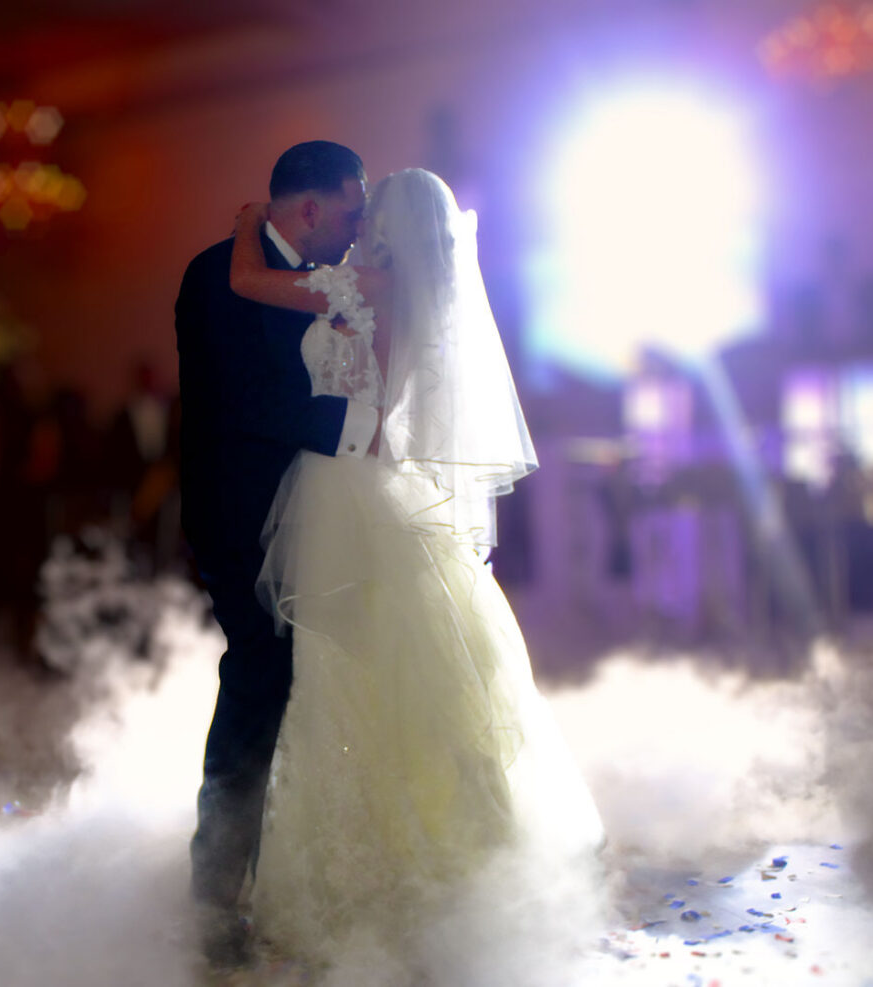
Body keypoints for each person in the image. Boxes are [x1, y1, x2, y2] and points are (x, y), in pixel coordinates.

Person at [228, 169, 603, 972]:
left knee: (339, 681)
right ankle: (441, 865)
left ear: (390, 228)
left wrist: (244, 221)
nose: (360, 221)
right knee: (407, 685)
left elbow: (249, 280)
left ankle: (364, 873)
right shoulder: (428, 303)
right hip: (387, 489)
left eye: (371, 211)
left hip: (342, 490)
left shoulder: (362, 283)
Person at [174, 140, 377, 965]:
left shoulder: (324, 279)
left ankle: (297, 868)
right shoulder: (217, 273)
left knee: (315, 687)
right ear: (311, 208)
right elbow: (255, 400)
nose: (358, 229)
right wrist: (375, 437)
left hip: (320, 519)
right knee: (259, 683)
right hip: (243, 518)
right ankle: (214, 894)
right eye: (352, 212)